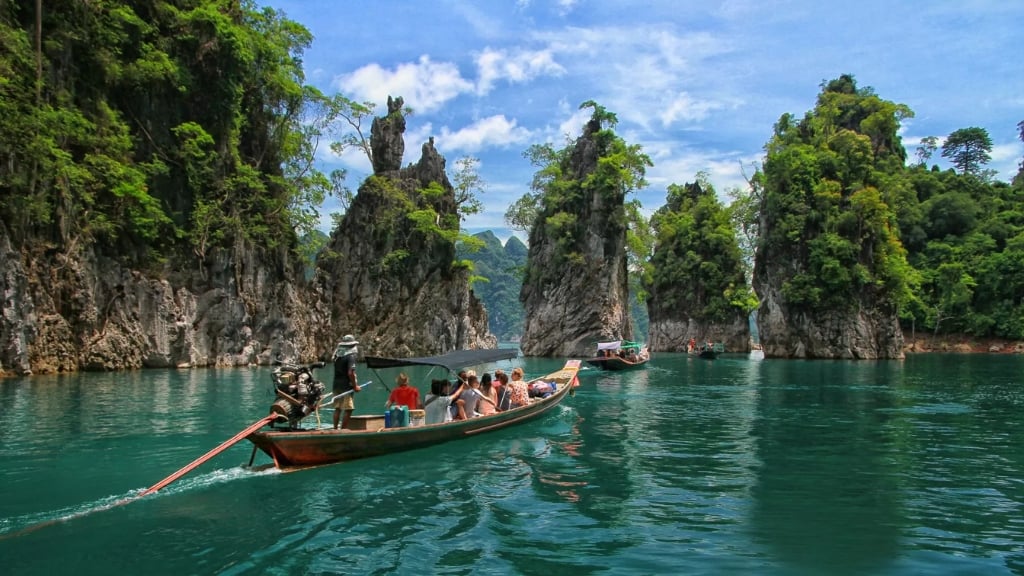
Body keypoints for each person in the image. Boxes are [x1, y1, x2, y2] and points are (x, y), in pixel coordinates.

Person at [332, 334, 361, 430]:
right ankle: (343, 430)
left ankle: (335, 429)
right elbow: (350, 373)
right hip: (346, 386)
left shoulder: (337, 356)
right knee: (349, 409)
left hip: (336, 384)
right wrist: (355, 386)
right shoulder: (350, 357)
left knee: (337, 408)